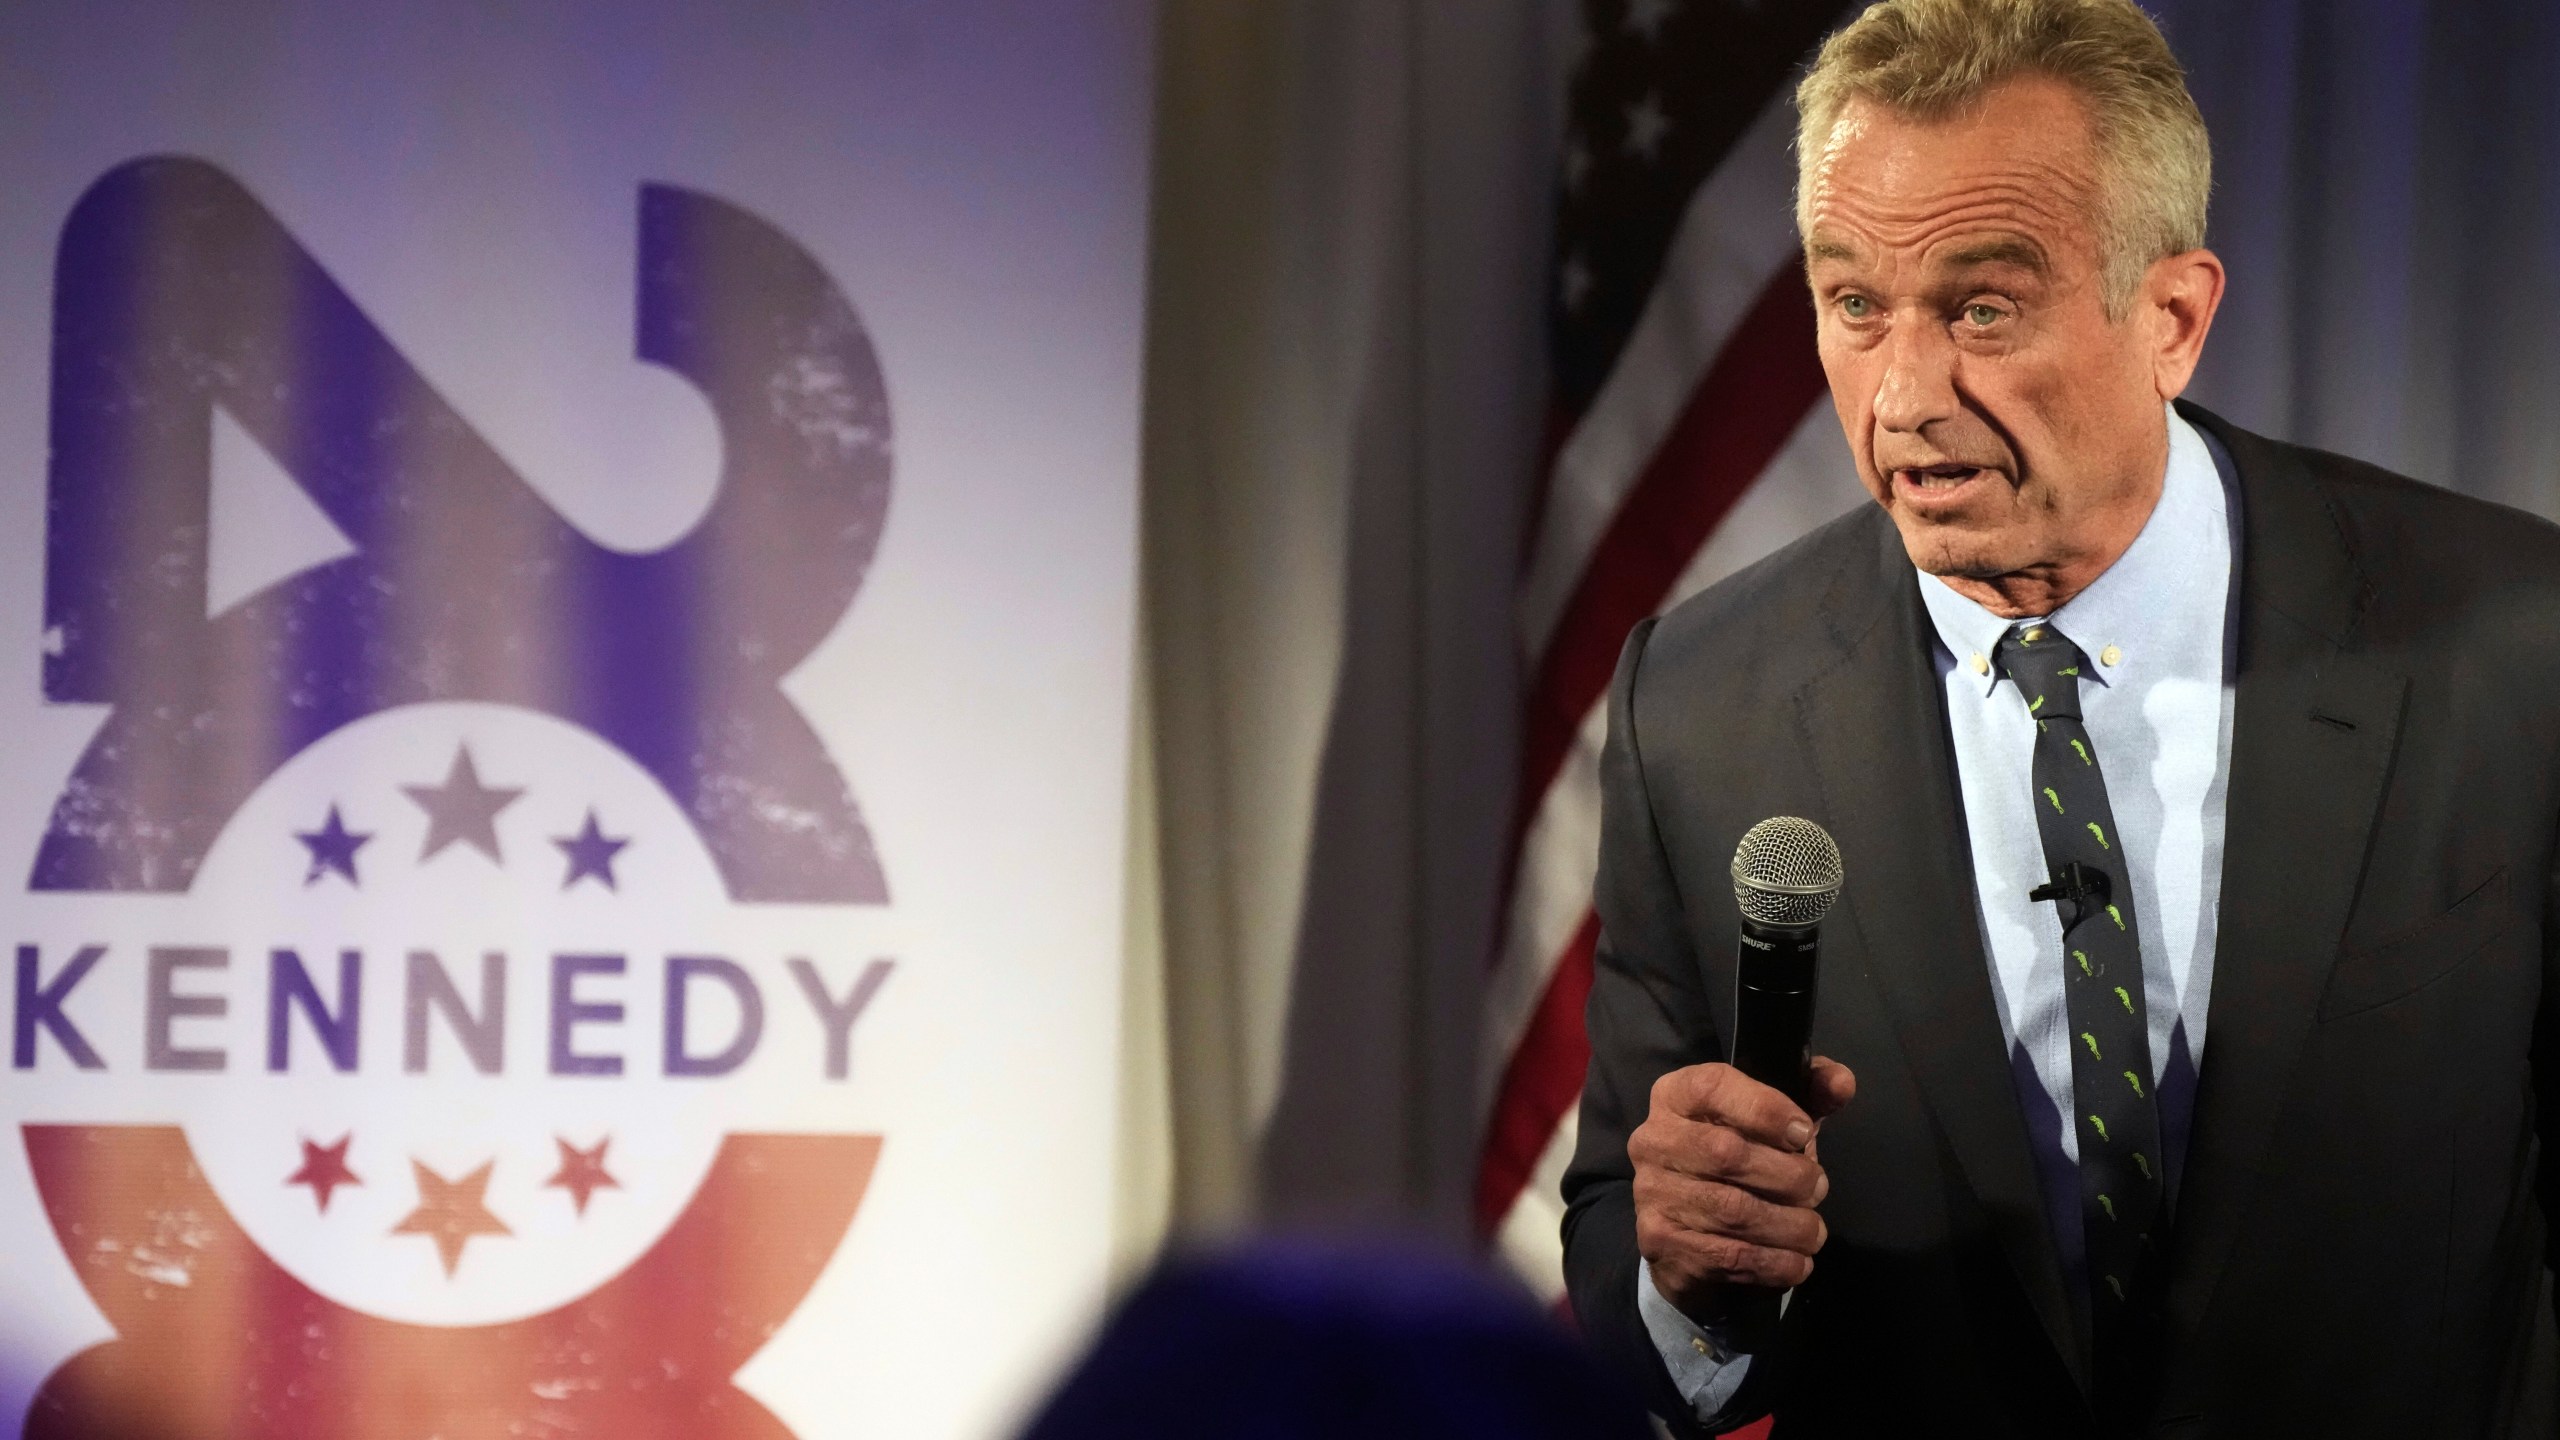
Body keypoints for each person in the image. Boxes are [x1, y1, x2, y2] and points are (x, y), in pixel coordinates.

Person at [1559, 0, 2560, 1435]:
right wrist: (1689, 1272)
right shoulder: (1705, 703)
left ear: (2172, 319)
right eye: (1854, 304)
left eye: (1982, 308)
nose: (1903, 397)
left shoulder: (2514, 645)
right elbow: (1626, 1249)